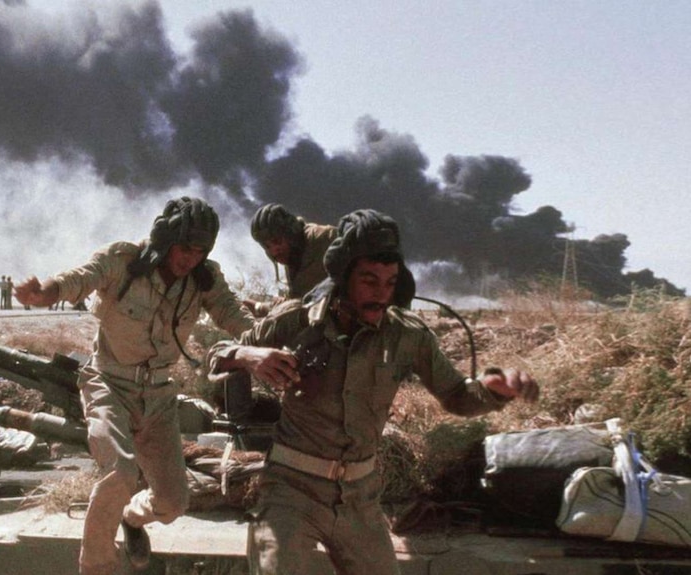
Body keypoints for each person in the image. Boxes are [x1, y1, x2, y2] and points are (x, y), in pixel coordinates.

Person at [206, 209, 539, 575]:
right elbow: (216, 356)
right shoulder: (297, 319)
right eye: (368, 281)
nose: (380, 295)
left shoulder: (408, 335)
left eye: (389, 283)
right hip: (289, 493)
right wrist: (247, 355)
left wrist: (495, 389)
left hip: (360, 500)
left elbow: (458, 396)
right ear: (343, 277)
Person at [14, 197, 255, 575]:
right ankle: (97, 568)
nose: (190, 258)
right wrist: (44, 294)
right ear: (166, 238)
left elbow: (231, 312)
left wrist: (264, 343)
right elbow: (81, 277)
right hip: (109, 383)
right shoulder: (125, 261)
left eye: (199, 251)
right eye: (184, 248)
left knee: (174, 503)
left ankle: (131, 517)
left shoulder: (204, 278)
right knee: (120, 473)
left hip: (159, 395)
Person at [244, 203, 337, 317]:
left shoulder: (323, 238)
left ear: (290, 233)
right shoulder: (293, 260)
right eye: (267, 246)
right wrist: (260, 307)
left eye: (277, 241)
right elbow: (297, 303)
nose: (274, 251)